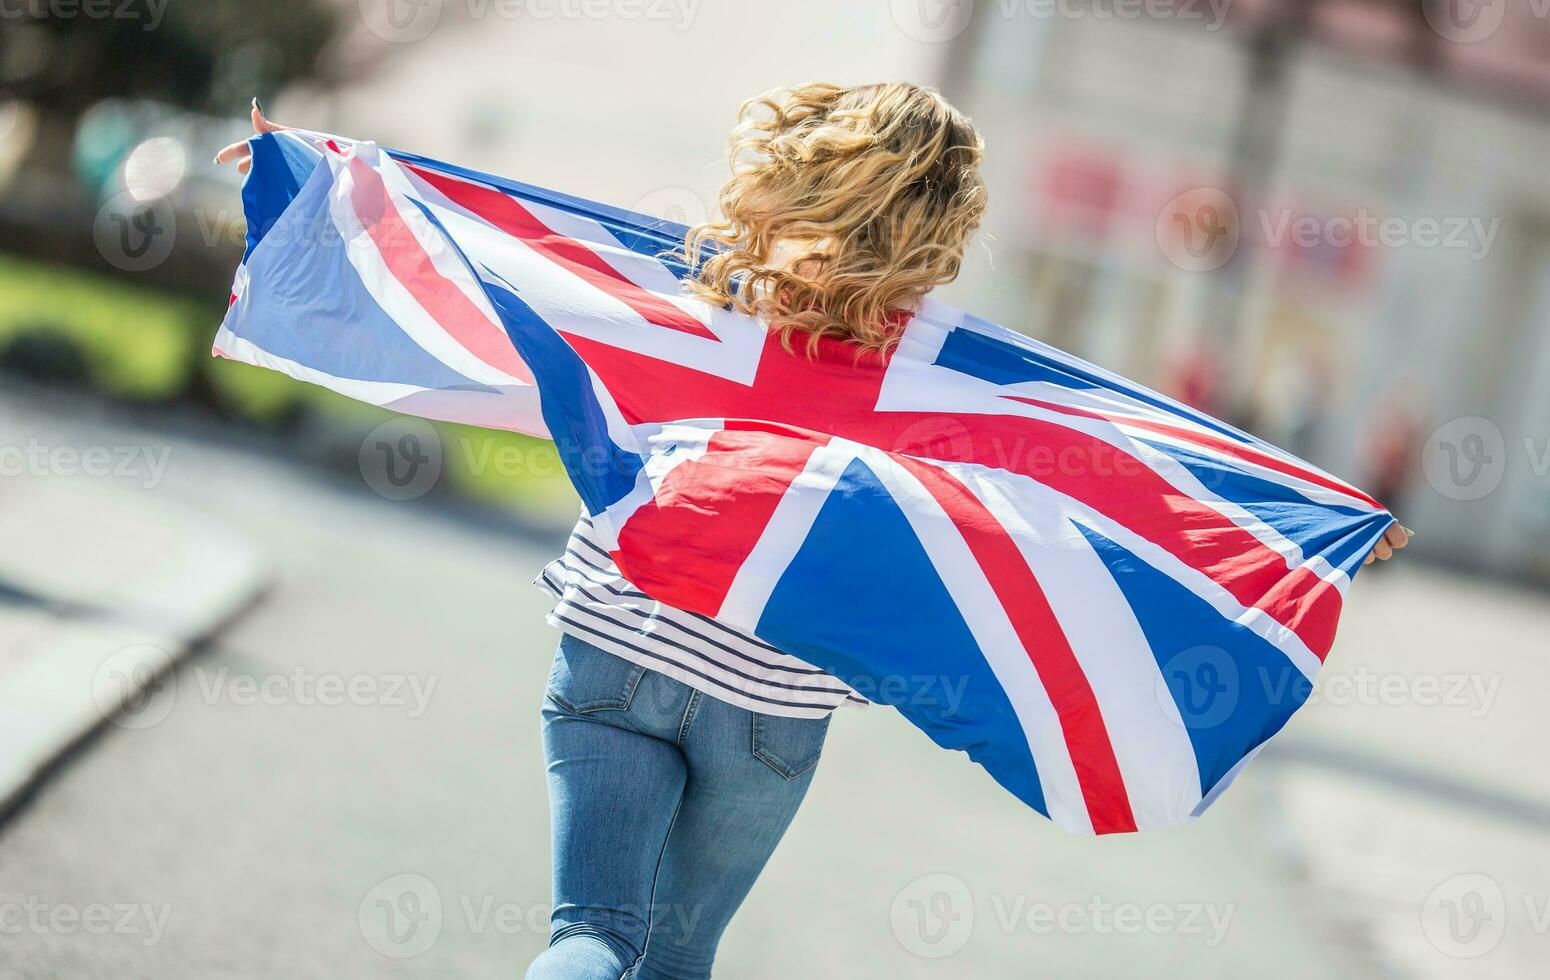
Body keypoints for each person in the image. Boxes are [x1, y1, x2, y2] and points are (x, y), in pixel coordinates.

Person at [218, 82, 1413, 979]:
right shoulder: (951, 373)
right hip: (769, 713)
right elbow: (1128, 458)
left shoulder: (685, 293)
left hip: (610, 657)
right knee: (674, 963)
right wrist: (1311, 519)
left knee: (591, 933)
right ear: (938, 228)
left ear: (793, 172)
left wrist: (306, 181)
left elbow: (504, 254)